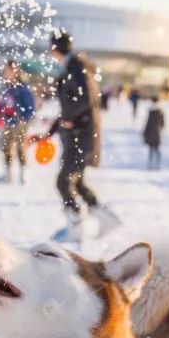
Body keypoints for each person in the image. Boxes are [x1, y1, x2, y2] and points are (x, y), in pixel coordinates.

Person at [29, 30, 121, 242]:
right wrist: (49, 133)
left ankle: (76, 227)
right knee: (76, 183)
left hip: (82, 137)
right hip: (78, 136)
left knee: (63, 182)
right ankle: (106, 219)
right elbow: (70, 107)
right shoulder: (75, 66)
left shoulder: (77, 67)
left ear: (54, 48)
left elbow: (86, 99)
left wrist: (68, 118)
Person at [0, 59, 36, 184]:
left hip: (20, 122)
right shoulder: (6, 88)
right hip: (8, 121)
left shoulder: (22, 87)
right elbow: (3, 104)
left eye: (9, 70)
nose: (7, 73)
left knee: (20, 147)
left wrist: (25, 117)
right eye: (6, 71)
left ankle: (24, 174)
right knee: (6, 147)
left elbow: (30, 105)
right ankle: (8, 174)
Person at [143, 93, 165, 170]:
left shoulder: (151, 111)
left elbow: (148, 124)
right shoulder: (160, 111)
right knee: (156, 149)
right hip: (157, 133)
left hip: (151, 132)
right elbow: (163, 124)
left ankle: (152, 163)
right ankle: (157, 163)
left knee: (152, 149)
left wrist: (145, 132)